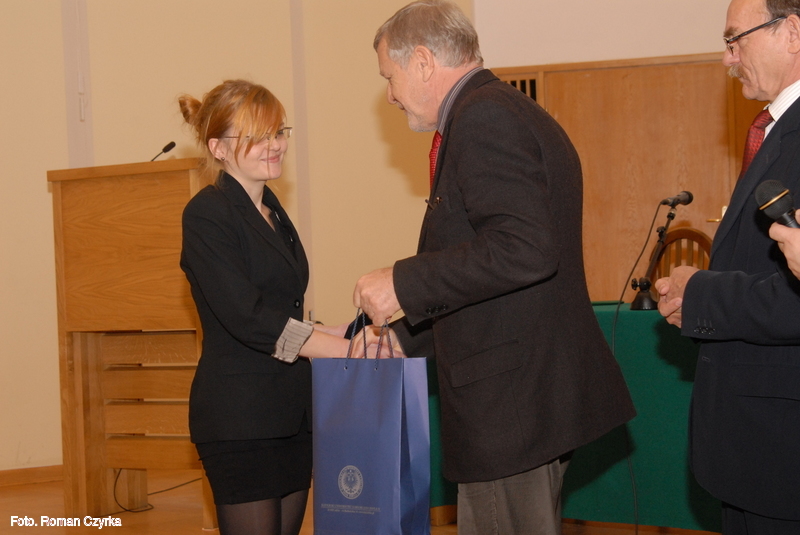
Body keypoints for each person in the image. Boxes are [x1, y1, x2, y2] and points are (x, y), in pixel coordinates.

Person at [352, 2, 636, 534]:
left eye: (389, 77)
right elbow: (497, 283)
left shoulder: (484, 117)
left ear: (422, 62)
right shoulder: (502, 108)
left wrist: (401, 282)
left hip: (511, 407)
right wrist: (407, 340)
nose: (389, 94)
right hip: (523, 399)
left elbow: (523, 248)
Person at [179, 79, 352, 535]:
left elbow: (282, 310)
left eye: (278, 132)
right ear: (217, 148)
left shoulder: (273, 211)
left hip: (292, 414)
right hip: (241, 420)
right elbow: (248, 318)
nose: (274, 145)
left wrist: (340, 333)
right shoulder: (207, 213)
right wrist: (342, 352)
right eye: (256, 136)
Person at [654, 0, 800, 532]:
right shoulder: (776, 129)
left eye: (735, 39)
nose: (727, 58)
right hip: (758, 442)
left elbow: (793, 299)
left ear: (791, 32)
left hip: (781, 444)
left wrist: (700, 295)